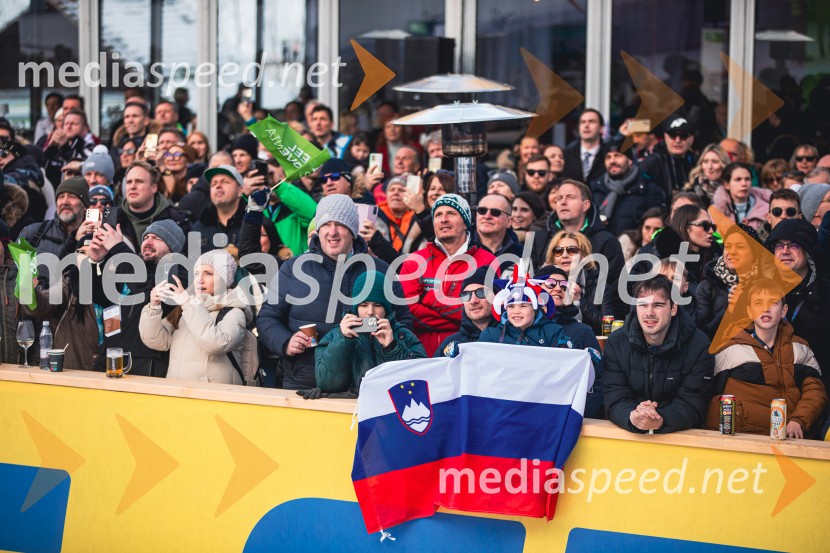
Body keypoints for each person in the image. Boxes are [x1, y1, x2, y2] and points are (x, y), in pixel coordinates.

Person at [256, 194, 412, 389]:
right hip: (305, 384)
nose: (332, 232)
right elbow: (267, 318)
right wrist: (285, 342)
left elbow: (404, 322)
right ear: (318, 229)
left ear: (353, 230)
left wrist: (388, 340)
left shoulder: (380, 270)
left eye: (340, 224)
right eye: (326, 224)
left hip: (364, 385)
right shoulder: (293, 268)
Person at [705, 278, 827, 438]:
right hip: (744, 441)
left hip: (791, 438)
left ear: (783, 311)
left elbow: (816, 391)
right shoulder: (730, 347)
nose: (766, 309)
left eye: (773, 302)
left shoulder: (801, 347)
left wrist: (799, 420)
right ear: (749, 311)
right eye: (758, 303)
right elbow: (706, 395)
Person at [603, 275, 714, 434]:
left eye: (658, 305)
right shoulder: (616, 343)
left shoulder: (699, 346)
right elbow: (614, 398)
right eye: (643, 305)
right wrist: (634, 417)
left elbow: (692, 404)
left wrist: (660, 419)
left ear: (673, 308)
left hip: (680, 443)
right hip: (630, 438)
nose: (649, 313)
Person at [87, 219, 188, 377]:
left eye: (157, 238)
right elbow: (97, 296)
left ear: (172, 247)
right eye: (146, 237)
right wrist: (95, 261)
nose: (148, 241)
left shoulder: (178, 272)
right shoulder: (130, 268)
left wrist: (118, 249)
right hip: (110, 356)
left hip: (146, 363)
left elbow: (147, 294)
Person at [399, 194, 497, 356]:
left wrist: (429, 298)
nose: (443, 219)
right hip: (419, 354)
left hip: (470, 355)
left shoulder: (488, 261)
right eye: (438, 215)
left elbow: (486, 310)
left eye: (451, 213)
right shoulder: (414, 261)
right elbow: (407, 312)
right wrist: (459, 320)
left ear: (466, 223)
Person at [140, 249, 252, 385]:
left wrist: (188, 304)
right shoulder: (186, 308)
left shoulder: (234, 311)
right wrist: (154, 306)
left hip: (213, 397)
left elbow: (217, 344)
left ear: (225, 279)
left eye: (208, 274)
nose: (200, 280)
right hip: (178, 392)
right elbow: (157, 341)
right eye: (197, 273)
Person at [314, 270, 426, 395]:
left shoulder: (403, 335)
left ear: (386, 307)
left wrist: (392, 347)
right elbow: (326, 383)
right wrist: (343, 340)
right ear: (356, 307)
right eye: (364, 305)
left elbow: (421, 380)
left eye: (377, 305)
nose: (370, 312)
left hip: (391, 409)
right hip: (350, 411)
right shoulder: (337, 334)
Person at [532, 179, 625, 304]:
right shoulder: (540, 239)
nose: (563, 202)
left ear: (586, 205)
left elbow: (616, 292)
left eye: (570, 197)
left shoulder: (606, 241)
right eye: (559, 198)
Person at [766, 218, 830, 391]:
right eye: (779, 245)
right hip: (771, 389)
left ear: (808, 251)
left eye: (793, 245)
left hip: (820, 388)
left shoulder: (825, 292)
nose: (785, 251)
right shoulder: (759, 292)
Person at [532, 264, 604, 418]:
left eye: (564, 286)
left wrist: (577, 415)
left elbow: (598, 384)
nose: (558, 289)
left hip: (569, 417)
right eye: (550, 284)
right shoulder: (519, 328)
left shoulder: (582, 331)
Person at [695, 223, 763, 339]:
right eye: (728, 246)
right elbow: (701, 334)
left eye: (740, 246)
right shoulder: (707, 286)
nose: (732, 252)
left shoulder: (766, 284)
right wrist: (730, 310)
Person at [543, 230, 618, 334]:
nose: (564, 255)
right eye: (558, 251)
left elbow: (607, 328)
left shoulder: (599, 285)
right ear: (553, 257)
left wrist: (580, 301)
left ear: (584, 255)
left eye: (572, 250)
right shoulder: (541, 283)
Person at [18, 177, 88, 280]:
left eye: (72, 196)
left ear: (85, 206)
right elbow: (13, 272)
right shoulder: (33, 232)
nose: (65, 202)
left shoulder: (93, 238)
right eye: (60, 197)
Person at [478, 270, 569, 349]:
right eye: (511, 306)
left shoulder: (553, 332)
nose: (516, 311)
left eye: (523, 306)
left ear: (535, 308)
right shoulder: (491, 335)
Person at [591, 140, 664, 235]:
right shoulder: (596, 188)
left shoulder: (649, 189)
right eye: (608, 157)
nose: (612, 161)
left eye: (617, 155)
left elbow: (656, 227)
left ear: (630, 160)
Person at [120, 160, 190, 241]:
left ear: (153, 188)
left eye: (139, 181)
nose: (132, 186)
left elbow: (194, 251)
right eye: (129, 182)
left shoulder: (178, 220)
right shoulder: (113, 220)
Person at [436, 268, 498, 357]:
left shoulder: (513, 339)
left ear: (497, 295)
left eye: (481, 292)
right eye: (466, 295)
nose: (473, 301)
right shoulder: (451, 345)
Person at [641, 116, 697, 202]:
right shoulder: (652, 161)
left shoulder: (695, 160)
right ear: (665, 137)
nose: (677, 140)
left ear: (691, 139)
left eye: (683, 136)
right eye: (673, 135)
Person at [192, 164, 246, 251]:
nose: (218, 186)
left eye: (225, 182)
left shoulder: (255, 225)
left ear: (240, 190)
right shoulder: (197, 229)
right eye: (214, 184)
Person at [401, 170, 454, 254]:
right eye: (432, 188)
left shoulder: (454, 219)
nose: (436, 193)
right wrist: (375, 238)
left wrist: (420, 211)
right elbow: (399, 259)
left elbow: (441, 245)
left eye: (442, 189)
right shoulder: (417, 217)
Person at [42, 109, 95, 186]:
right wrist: (50, 148)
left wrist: (65, 147)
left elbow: (89, 165)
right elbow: (41, 168)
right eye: (66, 123)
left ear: (85, 128)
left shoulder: (89, 148)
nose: (69, 127)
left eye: (74, 124)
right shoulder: (55, 148)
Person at [712, 162, 771, 231]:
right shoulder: (717, 211)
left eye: (747, 179)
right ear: (727, 185)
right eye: (738, 179)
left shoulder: (767, 210)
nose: (744, 184)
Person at [474, 193, 523, 273]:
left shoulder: (521, 253)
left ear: (509, 222)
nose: (487, 216)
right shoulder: (463, 248)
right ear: (476, 216)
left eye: (495, 212)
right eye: (482, 211)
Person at [562, 109, 609, 184]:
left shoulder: (608, 155)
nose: (586, 125)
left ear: (601, 128)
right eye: (583, 122)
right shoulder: (566, 155)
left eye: (591, 121)